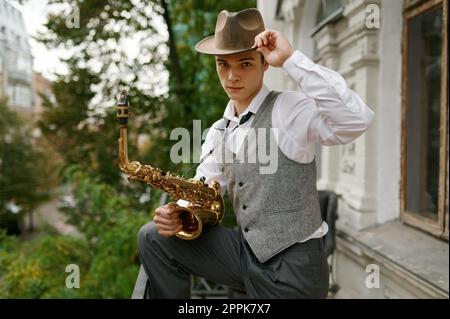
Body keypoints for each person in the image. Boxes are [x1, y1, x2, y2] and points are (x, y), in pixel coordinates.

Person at [137, 8, 374, 299]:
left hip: (294, 268)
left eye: (245, 64)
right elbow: (203, 191)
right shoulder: (218, 131)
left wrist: (291, 59)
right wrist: (179, 212)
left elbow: (355, 120)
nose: (232, 76)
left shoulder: (289, 109)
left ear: (265, 64)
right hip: (246, 256)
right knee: (152, 236)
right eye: (223, 64)